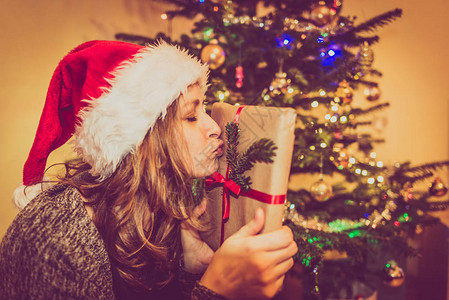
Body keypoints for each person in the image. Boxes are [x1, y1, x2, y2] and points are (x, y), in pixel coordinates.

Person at [0, 40, 297, 299]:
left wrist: (188, 271)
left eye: (204, 109)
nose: (215, 128)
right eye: (191, 116)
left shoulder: (164, 212)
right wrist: (216, 290)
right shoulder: (55, 237)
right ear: (140, 139)